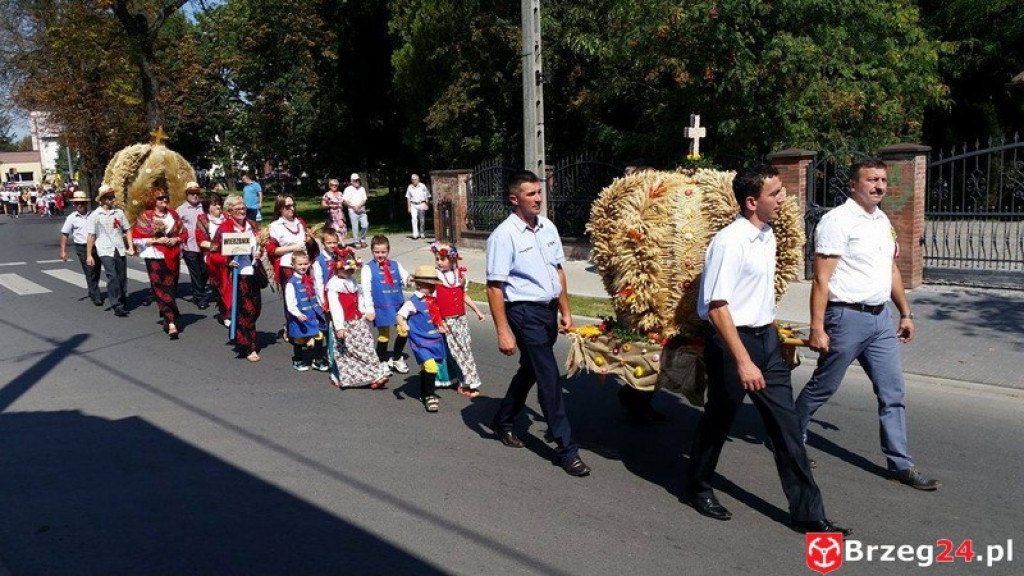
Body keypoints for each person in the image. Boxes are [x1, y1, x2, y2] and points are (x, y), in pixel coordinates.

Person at [683, 165, 850, 535]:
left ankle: (808, 512)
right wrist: (743, 361)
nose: (783, 200)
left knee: (785, 425)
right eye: (775, 194)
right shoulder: (730, 242)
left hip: (766, 340)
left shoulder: (768, 234)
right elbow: (717, 307)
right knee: (719, 419)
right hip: (732, 344)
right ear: (751, 202)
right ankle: (697, 487)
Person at [796, 158, 940, 491]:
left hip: (879, 320)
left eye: (883, 180)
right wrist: (817, 327)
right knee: (824, 386)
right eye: (871, 180)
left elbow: (890, 270)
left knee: (893, 392)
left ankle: (900, 464)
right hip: (845, 318)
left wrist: (905, 312)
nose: (879, 186)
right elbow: (821, 278)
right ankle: (790, 438)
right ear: (853, 185)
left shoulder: (882, 221)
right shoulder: (837, 221)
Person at [485, 171, 589, 477]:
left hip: (547, 312)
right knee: (548, 378)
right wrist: (503, 331)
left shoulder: (547, 228)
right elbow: (493, 287)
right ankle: (566, 449)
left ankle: (504, 419)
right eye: (531, 194)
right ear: (514, 199)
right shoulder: (504, 236)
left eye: (539, 193)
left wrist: (565, 311)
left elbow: (558, 271)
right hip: (523, 313)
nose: (538, 198)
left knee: (530, 369)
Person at [325, 247, 391, 389]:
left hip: (357, 321)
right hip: (344, 322)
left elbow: (359, 297)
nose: (349, 272)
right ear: (337, 269)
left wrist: (365, 311)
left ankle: (375, 374)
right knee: (346, 351)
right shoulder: (333, 285)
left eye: (351, 270)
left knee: (366, 347)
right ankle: (343, 376)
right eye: (346, 269)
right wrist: (339, 327)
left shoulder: (352, 281)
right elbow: (335, 307)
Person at [208, 194, 264, 361]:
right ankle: (249, 346)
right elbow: (213, 253)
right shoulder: (224, 229)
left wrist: (259, 252)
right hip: (238, 276)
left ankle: (241, 329)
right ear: (229, 212)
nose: (242, 211)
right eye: (238, 208)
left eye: (243, 208)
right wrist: (228, 261)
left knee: (256, 308)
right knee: (247, 310)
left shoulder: (252, 226)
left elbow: (259, 245)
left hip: (253, 271)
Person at [129, 185, 188, 339]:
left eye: (165, 197)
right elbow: (137, 238)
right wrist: (156, 240)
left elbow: (184, 233)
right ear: (153, 201)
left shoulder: (173, 215)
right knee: (160, 286)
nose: (164, 200)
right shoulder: (146, 216)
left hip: (172, 254)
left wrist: (174, 239)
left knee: (171, 286)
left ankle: (169, 312)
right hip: (154, 255)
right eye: (160, 198)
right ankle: (171, 322)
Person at [431, 242, 486, 398]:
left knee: (465, 348)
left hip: (460, 318)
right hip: (446, 320)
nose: (439, 262)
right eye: (437, 259)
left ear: (453, 260)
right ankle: (465, 382)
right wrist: (439, 322)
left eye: (443, 259)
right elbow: (432, 303)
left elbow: (463, 296)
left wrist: (477, 311)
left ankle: (467, 381)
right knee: (456, 351)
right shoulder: (435, 277)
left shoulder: (460, 276)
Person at [397, 265, 448, 413]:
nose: (433, 289)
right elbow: (400, 315)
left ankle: (424, 390)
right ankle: (429, 396)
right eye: (429, 286)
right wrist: (403, 324)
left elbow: (435, 316)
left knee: (428, 367)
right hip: (420, 341)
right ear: (419, 285)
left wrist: (441, 326)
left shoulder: (433, 299)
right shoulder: (412, 302)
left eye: (433, 286)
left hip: (433, 339)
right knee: (431, 367)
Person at [361, 234, 411, 374]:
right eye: (377, 252)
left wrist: (408, 280)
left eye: (383, 252)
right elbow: (366, 290)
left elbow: (405, 277)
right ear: (372, 251)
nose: (380, 255)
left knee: (404, 331)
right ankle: (381, 361)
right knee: (384, 335)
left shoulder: (395, 265)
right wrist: (369, 309)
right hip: (381, 306)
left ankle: (396, 358)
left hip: (397, 304)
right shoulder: (368, 268)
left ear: (388, 251)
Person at [86, 184, 132, 317]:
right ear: (102, 199)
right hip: (105, 249)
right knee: (112, 276)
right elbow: (91, 235)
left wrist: (130, 246)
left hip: (119, 248)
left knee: (122, 276)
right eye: (109, 197)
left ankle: (122, 299)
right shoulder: (95, 215)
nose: (112, 199)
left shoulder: (119, 213)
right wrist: (89, 255)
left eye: (113, 197)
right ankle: (116, 304)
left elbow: (127, 229)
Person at [284, 252, 329, 372]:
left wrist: (320, 306)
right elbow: (290, 303)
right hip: (300, 315)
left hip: (312, 314)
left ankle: (317, 360)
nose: (303, 267)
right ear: (293, 265)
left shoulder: (310, 279)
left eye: (305, 264)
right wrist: (297, 314)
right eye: (299, 264)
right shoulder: (291, 283)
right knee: (299, 338)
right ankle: (298, 359)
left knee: (319, 334)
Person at [60, 190, 103, 306]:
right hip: (82, 247)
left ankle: (92, 289)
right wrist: (63, 251)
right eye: (77, 203)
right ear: (74, 204)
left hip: (96, 246)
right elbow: (65, 234)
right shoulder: (71, 217)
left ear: (86, 204)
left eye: (82, 203)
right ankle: (96, 295)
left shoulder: (94, 215)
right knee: (90, 270)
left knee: (96, 270)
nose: (80, 205)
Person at [266, 194, 313, 289]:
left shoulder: (300, 222)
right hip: (287, 267)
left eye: (293, 205)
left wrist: (309, 241)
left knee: (307, 296)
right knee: (291, 300)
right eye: (288, 206)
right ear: (280, 208)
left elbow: (310, 245)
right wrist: (293, 248)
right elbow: (272, 251)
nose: (292, 208)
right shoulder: (274, 226)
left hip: (304, 266)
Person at [195, 192, 229, 325]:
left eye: (219, 203)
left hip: (229, 257)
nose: (218, 207)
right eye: (214, 205)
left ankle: (233, 310)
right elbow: (201, 242)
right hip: (213, 259)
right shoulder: (203, 220)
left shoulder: (227, 218)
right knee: (219, 286)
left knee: (231, 285)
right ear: (207, 207)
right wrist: (218, 246)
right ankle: (225, 313)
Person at [177, 181, 211, 310]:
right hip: (189, 246)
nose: (195, 196)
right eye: (191, 193)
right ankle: (200, 297)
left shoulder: (204, 207)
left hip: (205, 245)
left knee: (205, 271)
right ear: (186, 194)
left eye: (197, 193)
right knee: (196, 272)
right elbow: (177, 229)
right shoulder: (181, 210)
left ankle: (198, 293)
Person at [343, 173, 369, 248]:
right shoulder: (348, 189)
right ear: (351, 181)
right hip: (352, 210)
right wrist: (353, 206)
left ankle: (362, 239)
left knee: (365, 225)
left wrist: (360, 205)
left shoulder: (362, 188)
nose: (357, 181)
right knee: (355, 227)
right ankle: (356, 242)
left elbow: (364, 199)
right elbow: (345, 201)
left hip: (362, 209)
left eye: (358, 180)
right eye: (355, 180)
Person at [405, 174, 431, 239]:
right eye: (412, 179)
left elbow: (427, 196)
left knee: (422, 220)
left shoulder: (423, 186)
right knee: (414, 219)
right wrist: (409, 207)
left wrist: (427, 205)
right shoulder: (410, 187)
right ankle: (415, 234)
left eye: (415, 179)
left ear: (418, 179)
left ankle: (422, 232)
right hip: (413, 204)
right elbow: (408, 197)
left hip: (422, 204)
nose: (413, 181)